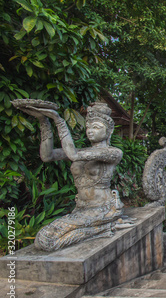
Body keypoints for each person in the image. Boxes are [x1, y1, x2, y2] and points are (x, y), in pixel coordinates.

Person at [15, 101, 133, 251]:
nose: (90, 130)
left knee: (46, 240)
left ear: (109, 132)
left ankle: (105, 226)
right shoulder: (82, 151)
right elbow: (47, 155)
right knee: (44, 239)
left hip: (103, 208)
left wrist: (59, 120)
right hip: (81, 209)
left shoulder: (113, 153)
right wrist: (43, 120)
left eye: (96, 127)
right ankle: (103, 228)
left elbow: (73, 155)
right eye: (89, 127)